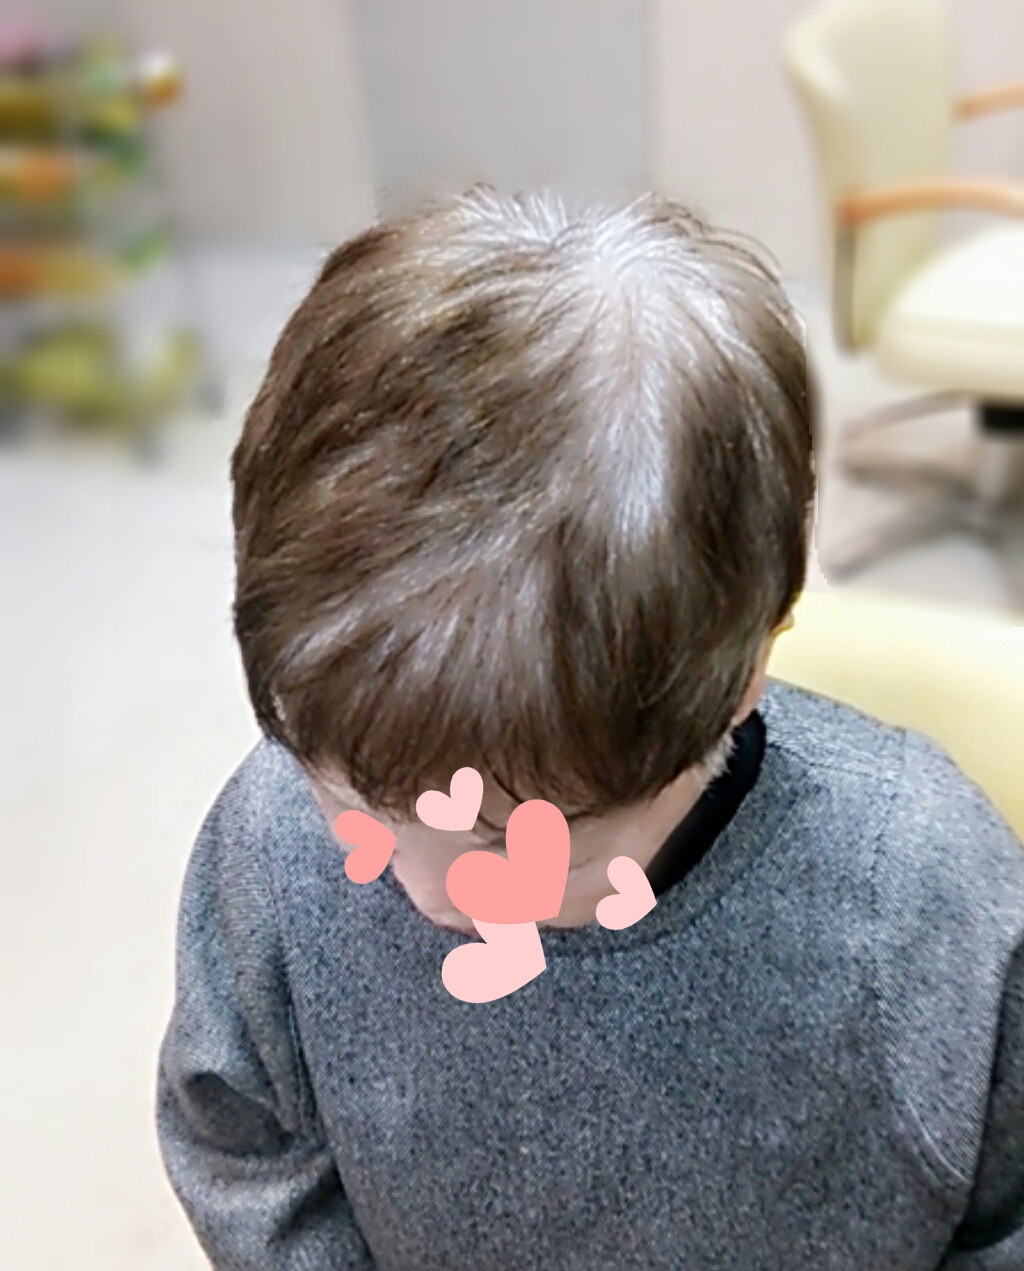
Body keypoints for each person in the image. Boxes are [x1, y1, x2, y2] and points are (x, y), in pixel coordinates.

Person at [155, 187, 1024, 1270]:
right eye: (352, 802)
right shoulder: (273, 847)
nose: (420, 885)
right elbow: (241, 1140)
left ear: (743, 674)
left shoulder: (929, 909)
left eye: (503, 842)